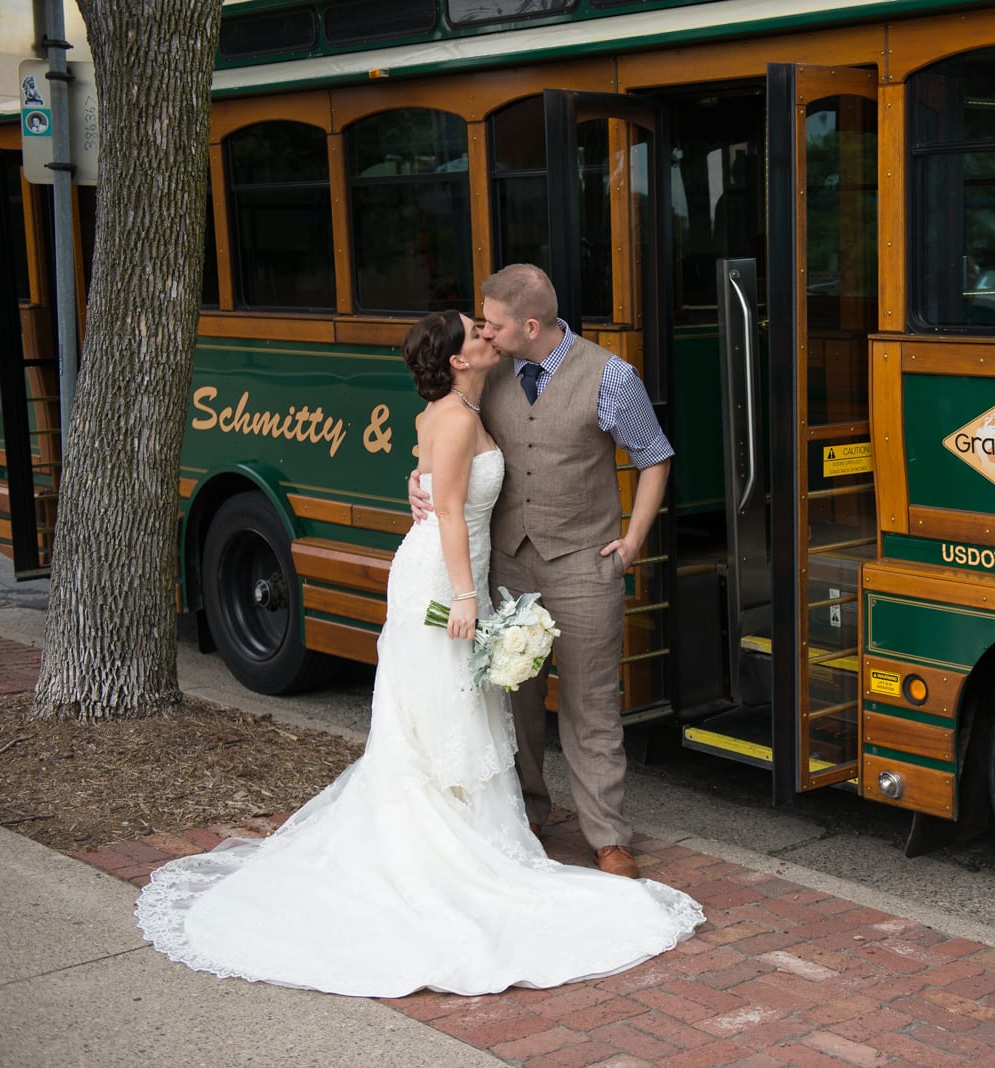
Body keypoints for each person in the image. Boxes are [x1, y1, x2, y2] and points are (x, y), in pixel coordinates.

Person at [135, 310, 701, 997]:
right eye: (476, 333)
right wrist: (466, 598)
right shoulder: (461, 416)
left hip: (444, 570)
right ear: (459, 360)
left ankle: (483, 824)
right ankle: (445, 847)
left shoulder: (456, 405)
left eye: (488, 325)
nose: (487, 336)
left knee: (448, 711)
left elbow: (433, 476)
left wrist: (422, 487)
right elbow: (456, 515)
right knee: (447, 711)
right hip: (445, 579)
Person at [409, 265, 671, 881]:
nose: (485, 335)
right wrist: (416, 484)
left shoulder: (611, 376)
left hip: (584, 562)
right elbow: (442, 438)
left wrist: (633, 540)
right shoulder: (487, 370)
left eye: (493, 325)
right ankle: (526, 817)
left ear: (529, 325)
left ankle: (608, 837)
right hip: (504, 562)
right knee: (514, 702)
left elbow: (655, 457)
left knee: (592, 705)